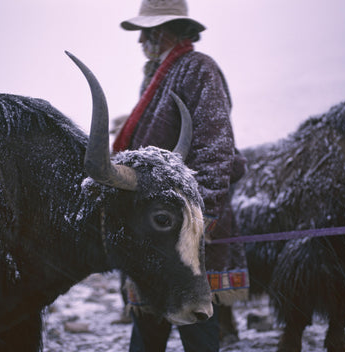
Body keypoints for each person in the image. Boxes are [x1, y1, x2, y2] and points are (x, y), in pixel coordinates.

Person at [113, 1, 249, 351]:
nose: (140, 39)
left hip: (187, 224)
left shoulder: (198, 68)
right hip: (155, 226)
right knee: (147, 327)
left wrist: (205, 217)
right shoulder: (158, 75)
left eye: (147, 31)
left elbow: (215, 144)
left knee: (197, 327)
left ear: (165, 31)